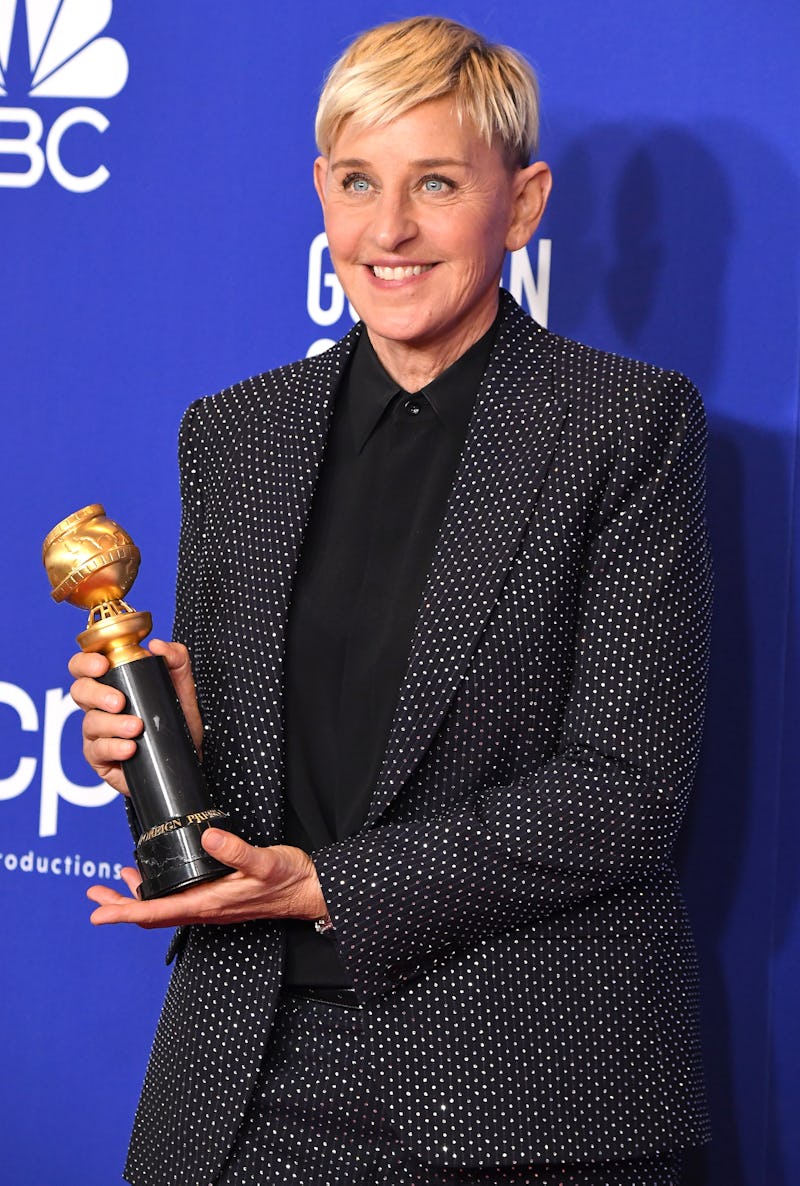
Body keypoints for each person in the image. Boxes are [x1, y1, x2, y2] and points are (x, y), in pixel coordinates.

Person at [69, 16, 711, 1186]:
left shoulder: (622, 426)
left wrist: (327, 884)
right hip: (243, 1075)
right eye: (358, 182)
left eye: (435, 184)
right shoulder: (235, 435)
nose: (388, 231)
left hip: (527, 1085)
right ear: (319, 189)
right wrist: (168, 746)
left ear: (520, 206)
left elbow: (624, 794)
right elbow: (258, 784)